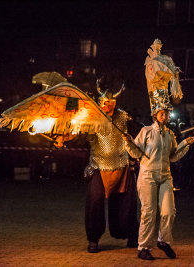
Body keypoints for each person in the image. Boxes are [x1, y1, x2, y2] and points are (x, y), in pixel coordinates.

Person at [124, 39, 194, 261]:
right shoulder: (146, 132)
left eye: (166, 112)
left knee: (168, 211)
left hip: (165, 176)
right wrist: (128, 142)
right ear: (155, 114)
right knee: (149, 212)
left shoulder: (170, 135)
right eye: (162, 113)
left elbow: (173, 157)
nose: (165, 115)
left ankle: (163, 240)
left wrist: (185, 144)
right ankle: (143, 247)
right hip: (147, 176)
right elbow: (136, 153)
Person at [56, 80, 139, 253]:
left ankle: (131, 235)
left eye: (110, 103)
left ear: (115, 104)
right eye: (104, 103)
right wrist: (63, 139)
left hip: (122, 167)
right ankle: (93, 239)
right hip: (99, 167)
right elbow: (76, 132)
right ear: (100, 103)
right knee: (94, 203)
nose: (107, 106)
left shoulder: (124, 117)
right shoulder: (92, 119)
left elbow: (139, 135)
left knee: (126, 206)